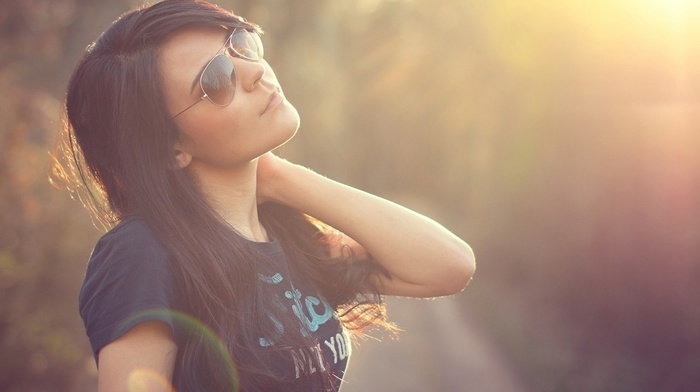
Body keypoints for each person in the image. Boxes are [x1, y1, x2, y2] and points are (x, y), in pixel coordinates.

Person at [53, 0, 475, 390]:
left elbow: (448, 265)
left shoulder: (284, 235)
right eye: (217, 81)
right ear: (170, 148)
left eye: (240, 43)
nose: (253, 71)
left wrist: (279, 177)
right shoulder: (141, 254)